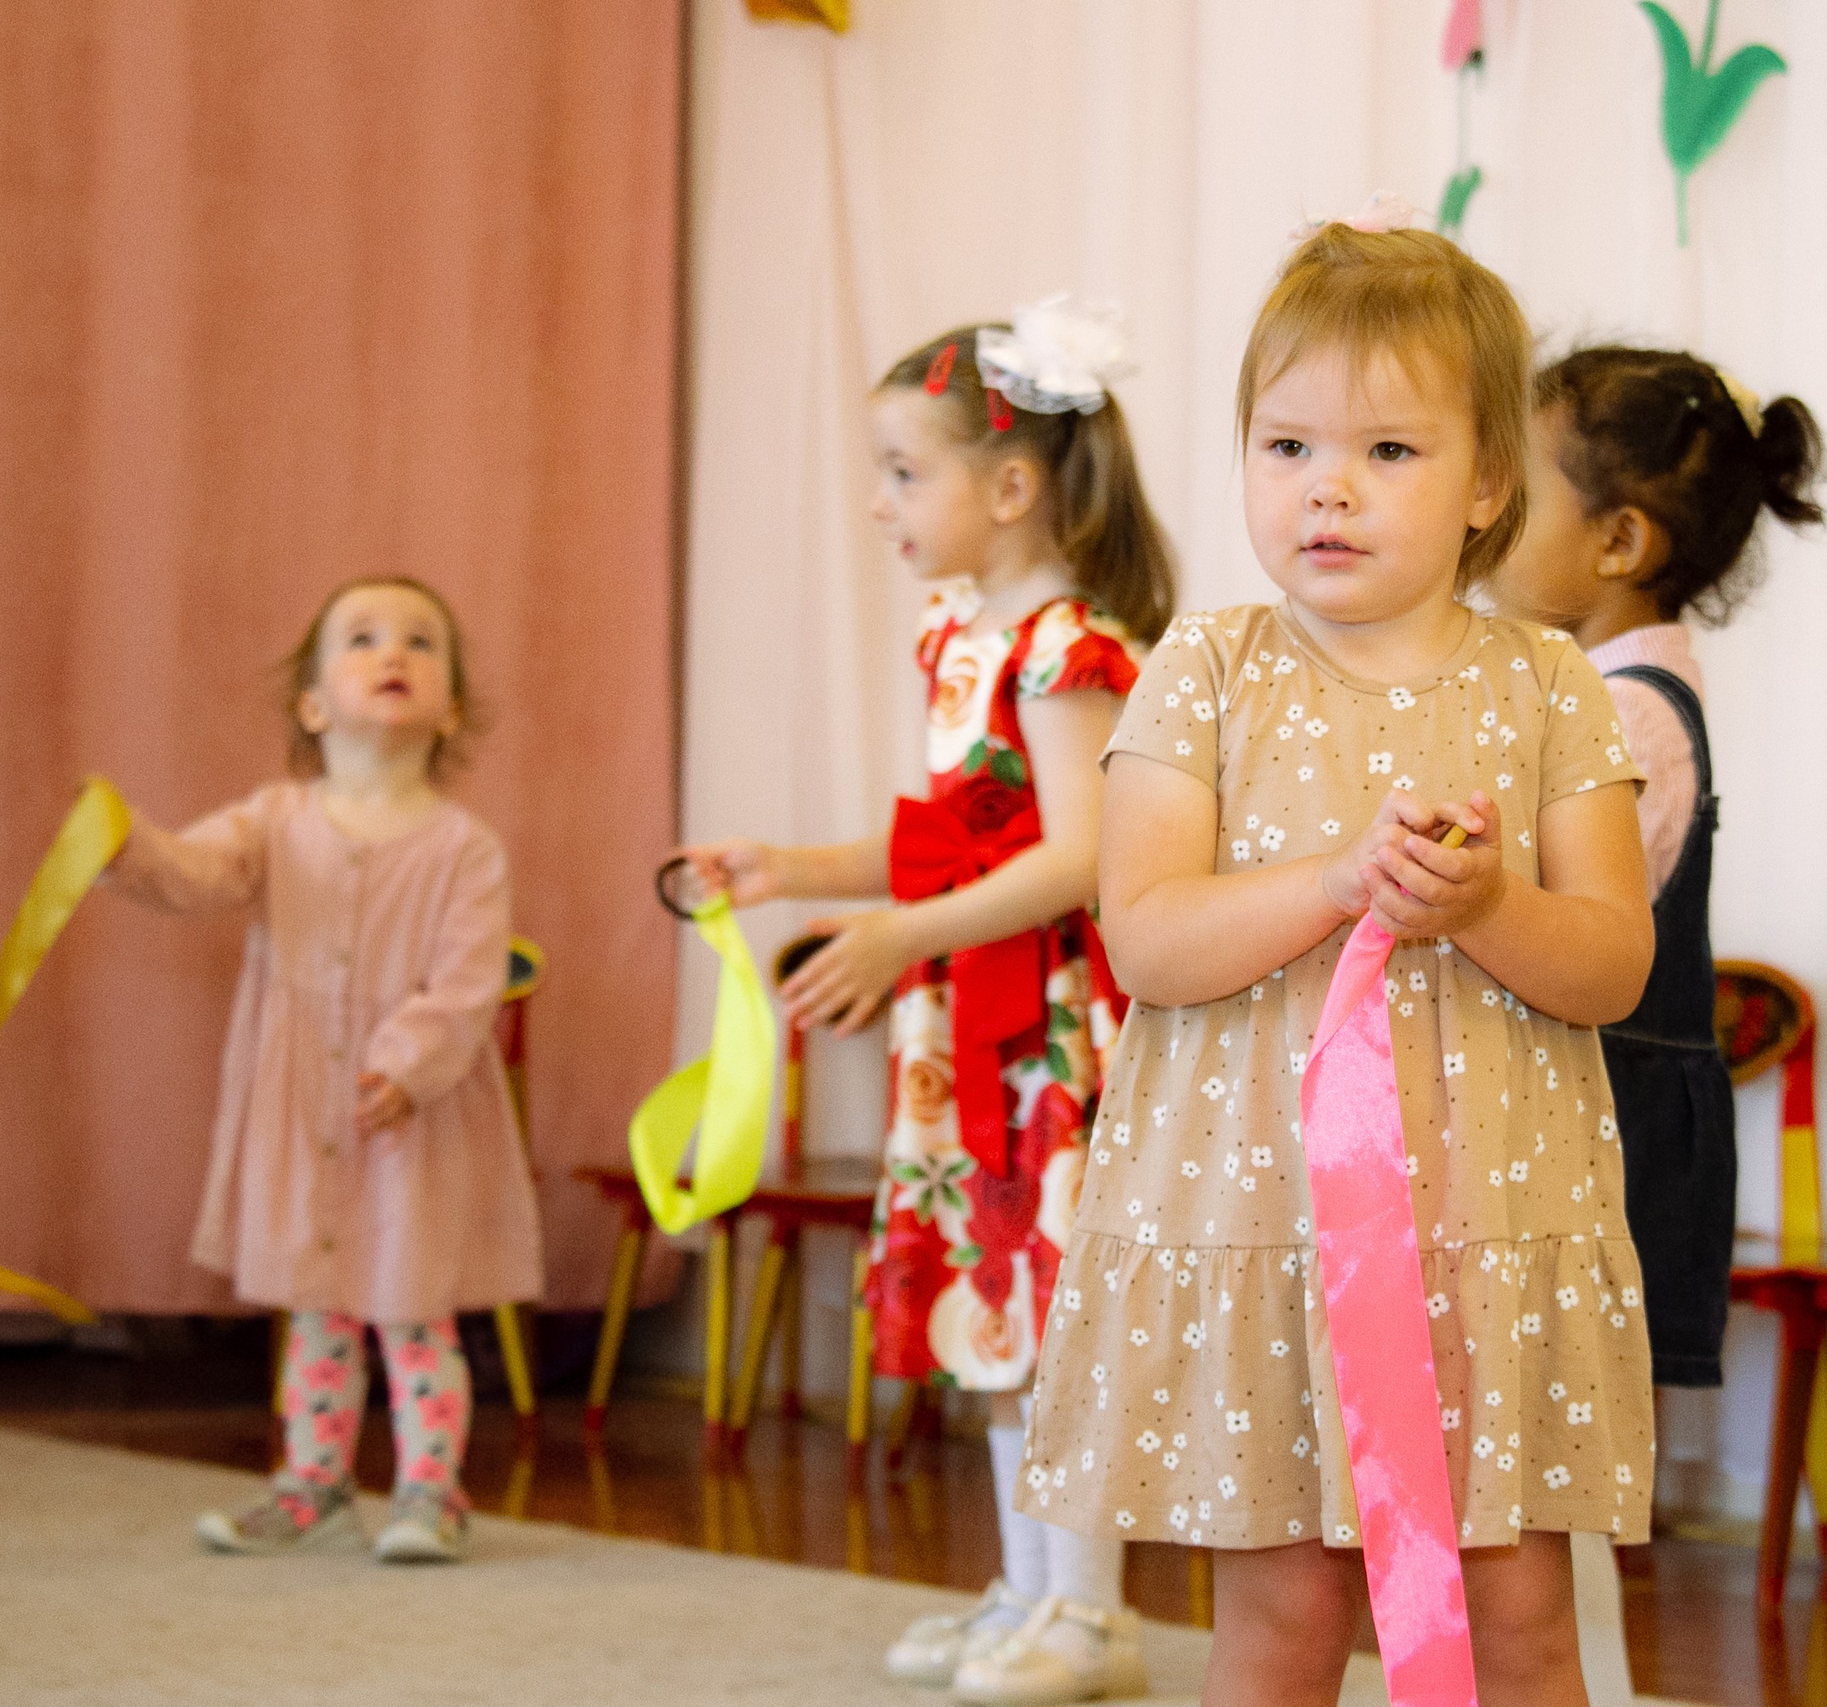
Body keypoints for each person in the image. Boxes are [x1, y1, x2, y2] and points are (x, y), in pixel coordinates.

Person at [1019, 218, 1657, 1707]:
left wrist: (1485, 899)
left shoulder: (1551, 679)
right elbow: (1152, 937)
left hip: (1486, 1241)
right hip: (1274, 1233)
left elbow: (1613, 961)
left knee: (1519, 1629)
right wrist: (1334, 880)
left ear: (1487, 481)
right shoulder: (1207, 663)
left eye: (1387, 450)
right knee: (1286, 1626)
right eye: (1288, 442)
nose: (1328, 486)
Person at [675, 298, 1174, 1705]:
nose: (881, 502)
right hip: (965, 1022)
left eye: (905, 470)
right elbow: (947, 835)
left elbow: (1078, 857)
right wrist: (790, 867)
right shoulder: (958, 636)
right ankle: (1029, 1589)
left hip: (1045, 1033)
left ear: (1009, 487)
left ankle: (1091, 1614)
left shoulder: (1071, 646)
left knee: (1050, 1308)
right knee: (992, 1310)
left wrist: (901, 935)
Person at [105, 576, 540, 1565]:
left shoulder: (465, 848)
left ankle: (431, 1491)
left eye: (421, 642)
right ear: (311, 705)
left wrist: (407, 1061)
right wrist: (121, 845)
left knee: (413, 1302)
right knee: (319, 1302)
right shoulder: (274, 820)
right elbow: (191, 874)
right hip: (302, 1105)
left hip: (411, 1109)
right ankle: (313, 1483)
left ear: (453, 708)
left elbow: (469, 982)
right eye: (364, 638)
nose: (395, 653)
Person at [1501, 347, 1825, 1399]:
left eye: (1516, 483)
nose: (1481, 508)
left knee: (1559, 1468)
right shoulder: (1602, 689)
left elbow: (1563, 925)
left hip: (1607, 1131)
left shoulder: (1623, 712)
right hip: (1587, 1116)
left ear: (1619, 542)